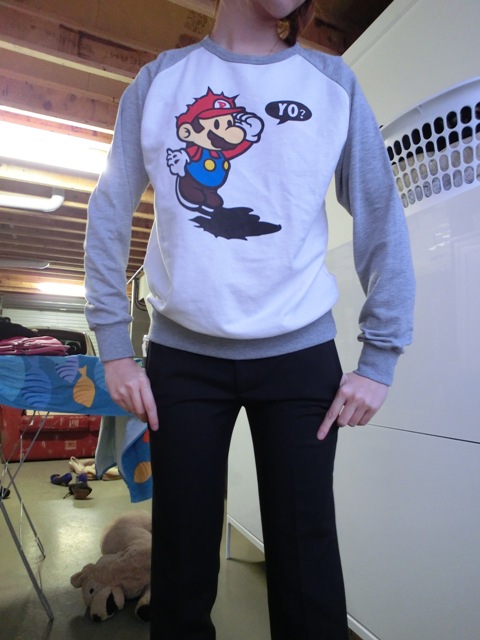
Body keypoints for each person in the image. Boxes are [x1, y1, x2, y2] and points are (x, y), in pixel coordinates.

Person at [84, 1, 415, 638]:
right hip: (183, 361)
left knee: (307, 564)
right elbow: (109, 208)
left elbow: (380, 213)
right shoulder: (159, 82)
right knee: (181, 564)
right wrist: (114, 347)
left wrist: (381, 355)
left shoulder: (332, 84)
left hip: (299, 360)